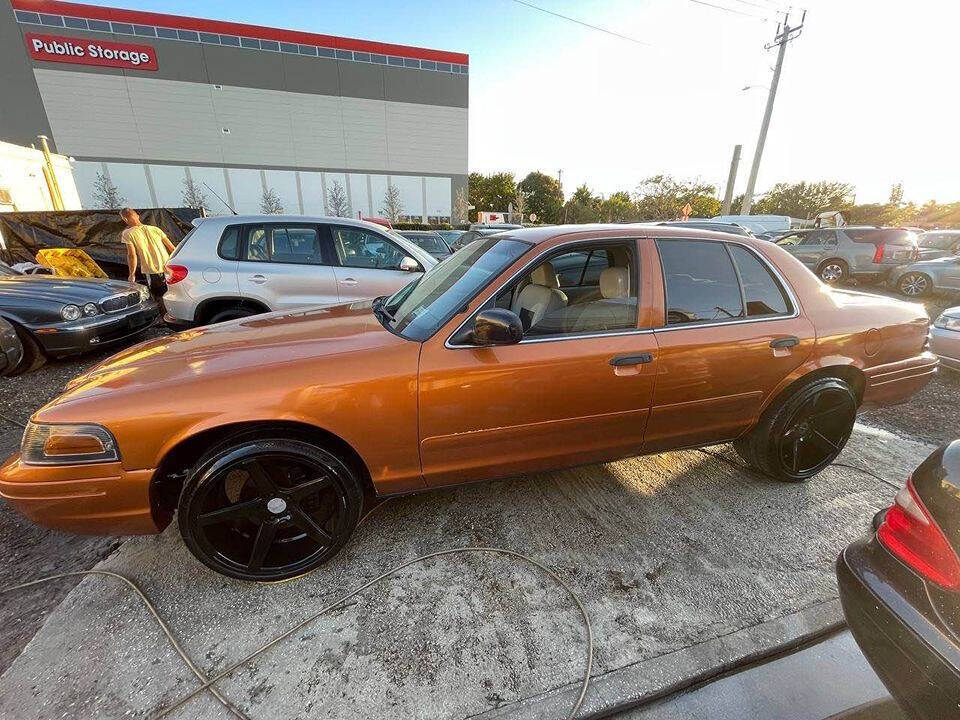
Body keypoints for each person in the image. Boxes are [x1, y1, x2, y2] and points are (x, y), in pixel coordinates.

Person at [119, 208, 175, 306]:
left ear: (125, 219)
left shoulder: (127, 233)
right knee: (173, 294)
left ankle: (165, 317)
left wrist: (132, 274)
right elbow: (172, 249)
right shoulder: (155, 229)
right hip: (168, 268)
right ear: (137, 216)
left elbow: (132, 255)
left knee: (159, 298)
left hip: (151, 270)